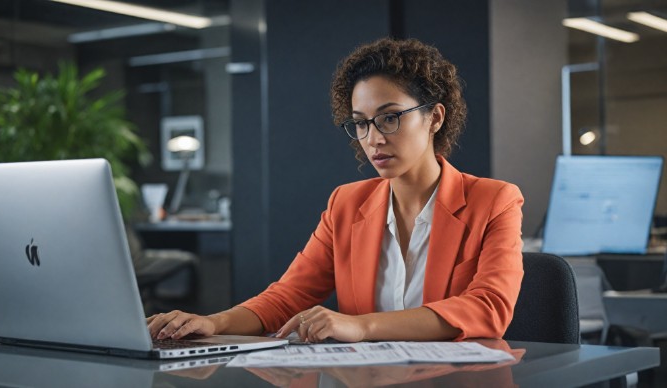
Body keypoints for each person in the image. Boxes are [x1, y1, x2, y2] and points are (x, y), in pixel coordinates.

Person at [147, 38, 524, 343]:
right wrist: (214, 323)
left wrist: (360, 326)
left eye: (389, 118)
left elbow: (488, 308)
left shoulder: (494, 200)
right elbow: (288, 296)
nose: (373, 139)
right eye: (361, 124)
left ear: (435, 117)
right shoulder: (347, 203)